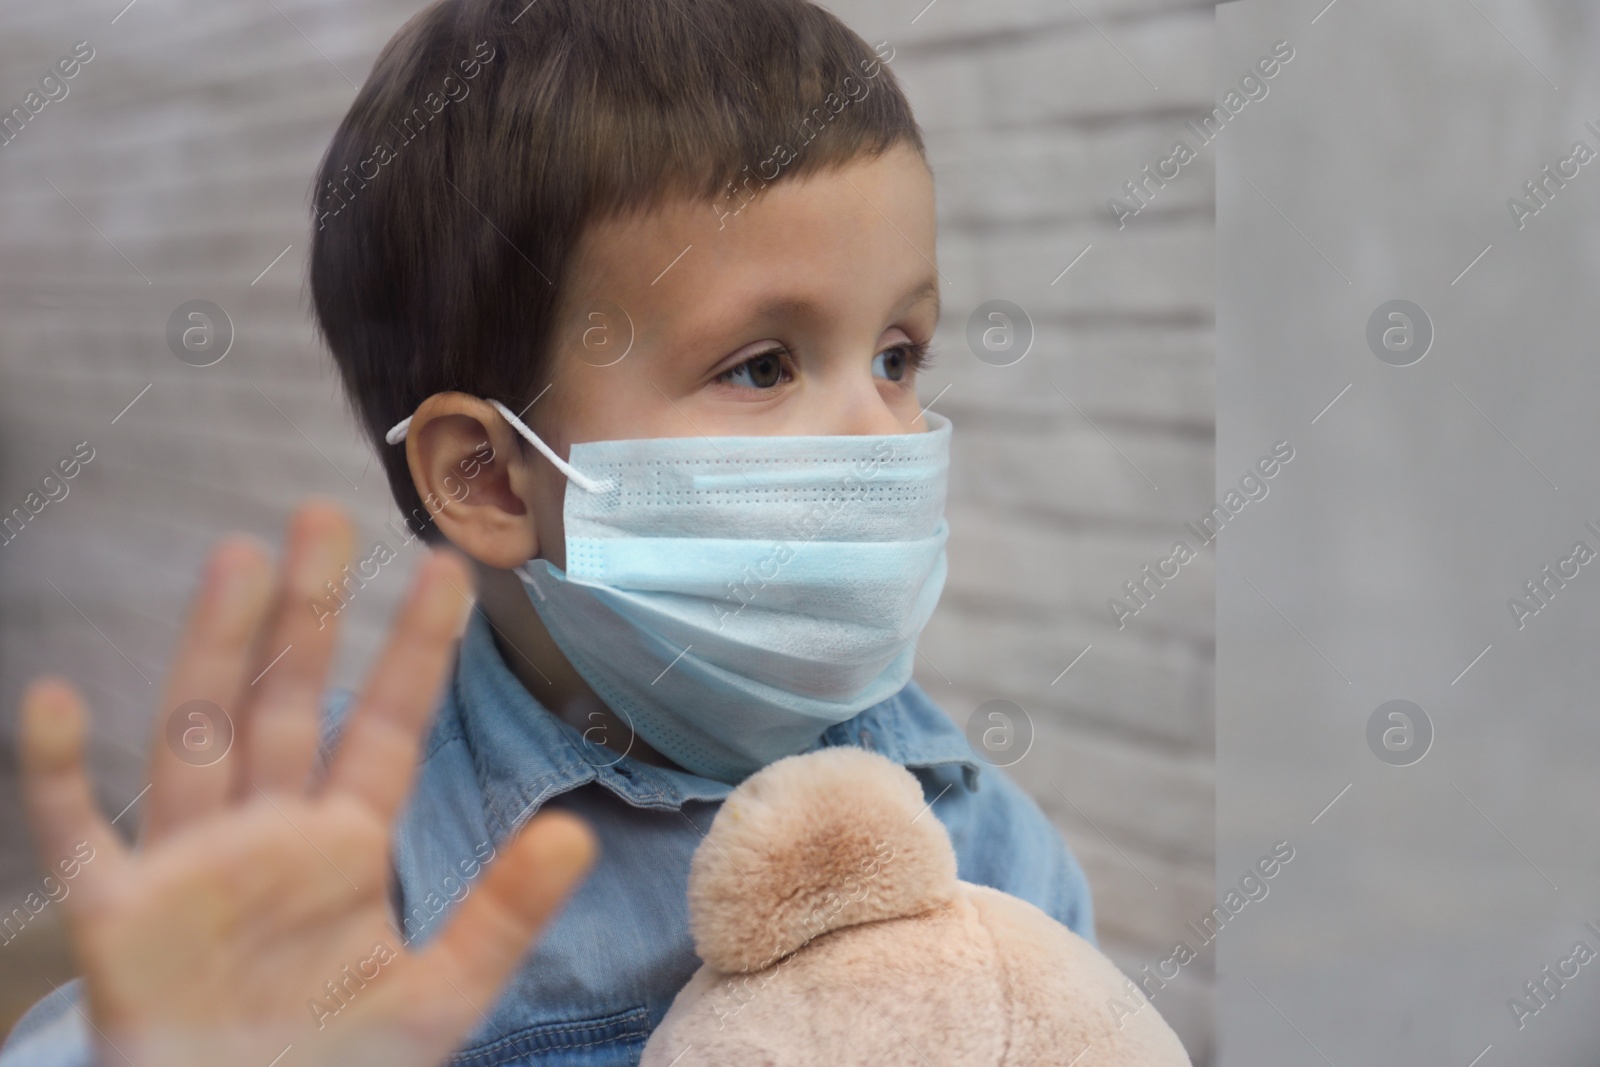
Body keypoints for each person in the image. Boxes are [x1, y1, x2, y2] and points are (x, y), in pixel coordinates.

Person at [2, 1, 1093, 1063]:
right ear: (489, 478)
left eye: (898, 354)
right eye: (761, 364)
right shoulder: (331, 862)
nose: (879, 436)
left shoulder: (983, 837)